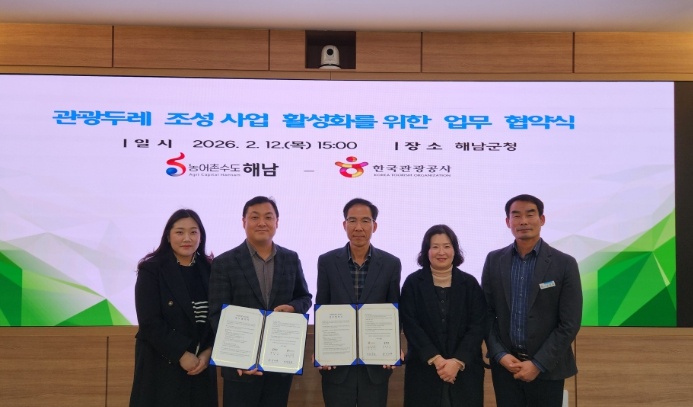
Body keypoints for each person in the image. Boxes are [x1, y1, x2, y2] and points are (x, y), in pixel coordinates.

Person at [208, 196, 312, 407]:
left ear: (277, 222)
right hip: (240, 367)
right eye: (255, 217)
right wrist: (236, 358)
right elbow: (217, 314)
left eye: (268, 217)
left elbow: (305, 297)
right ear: (244, 222)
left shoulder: (291, 258)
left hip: (279, 364)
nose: (262, 223)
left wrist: (293, 308)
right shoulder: (224, 263)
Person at [481, 194, 582, 407]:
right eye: (516, 216)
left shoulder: (564, 263)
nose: (523, 221)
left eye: (530, 214)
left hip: (548, 368)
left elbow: (569, 323)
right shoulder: (494, 260)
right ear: (508, 222)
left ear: (541, 219)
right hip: (506, 368)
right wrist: (500, 354)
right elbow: (486, 314)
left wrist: (537, 364)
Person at [316, 198, 402, 407]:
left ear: (374, 226)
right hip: (336, 365)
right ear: (344, 224)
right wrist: (320, 350)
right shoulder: (327, 261)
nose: (358, 227)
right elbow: (322, 307)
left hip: (375, 365)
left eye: (365, 221)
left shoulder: (391, 263)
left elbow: (394, 310)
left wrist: (394, 346)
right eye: (352, 220)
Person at [130, 209, 218, 407]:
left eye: (193, 232)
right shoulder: (152, 269)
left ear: (201, 236)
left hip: (201, 367)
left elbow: (218, 317)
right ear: (168, 236)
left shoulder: (211, 269)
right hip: (162, 366)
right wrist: (181, 354)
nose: (187, 238)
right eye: (179, 232)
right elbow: (149, 322)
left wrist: (208, 353)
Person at [400, 225, 486, 407]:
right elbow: (410, 324)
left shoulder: (470, 284)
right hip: (424, 371)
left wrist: (457, 362)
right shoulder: (413, 283)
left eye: (447, 246)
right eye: (435, 247)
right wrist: (437, 360)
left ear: (455, 250)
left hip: (464, 372)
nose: (441, 252)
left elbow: (478, 325)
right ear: (426, 251)